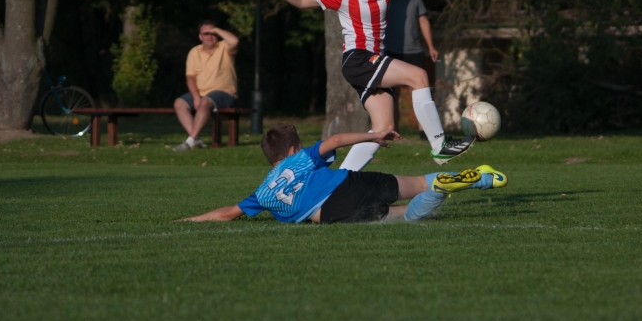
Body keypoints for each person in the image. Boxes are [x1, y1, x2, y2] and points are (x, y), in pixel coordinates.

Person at [265, 0, 492, 169]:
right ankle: (439, 145)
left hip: (371, 60)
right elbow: (303, 1)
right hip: (358, 59)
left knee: (383, 129)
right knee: (419, 76)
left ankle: (341, 181)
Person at [179, 123, 507, 224]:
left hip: (333, 212)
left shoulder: (263, 193)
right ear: (293, 150)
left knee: (404, 217)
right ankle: (480, 178)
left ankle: (440, 193)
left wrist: (186, 221)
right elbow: (335, 141)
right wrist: (373, 135)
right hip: (346, 181)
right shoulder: (300, 160)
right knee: (416, 183)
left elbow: (226, 214)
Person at [384, 0, 438, 139]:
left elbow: (423, 20)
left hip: (413, 50)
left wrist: (431, 46)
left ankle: (424, 132)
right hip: (391, 50)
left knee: (420, 90)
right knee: (393, 95)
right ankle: (394, 132)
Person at [172, 20, 239, 151]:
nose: (209, 36)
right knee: (179, 103)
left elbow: (235, 41)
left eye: (212, 33)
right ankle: (196, 140)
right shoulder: (194, 52)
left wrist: (217, 30)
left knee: (205, 102)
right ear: (200, 37)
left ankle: (189, 142)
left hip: (224, 92)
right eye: (206, 33)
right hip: (202, 92)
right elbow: (190, 77)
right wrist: (196, 97)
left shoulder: (224, 47)